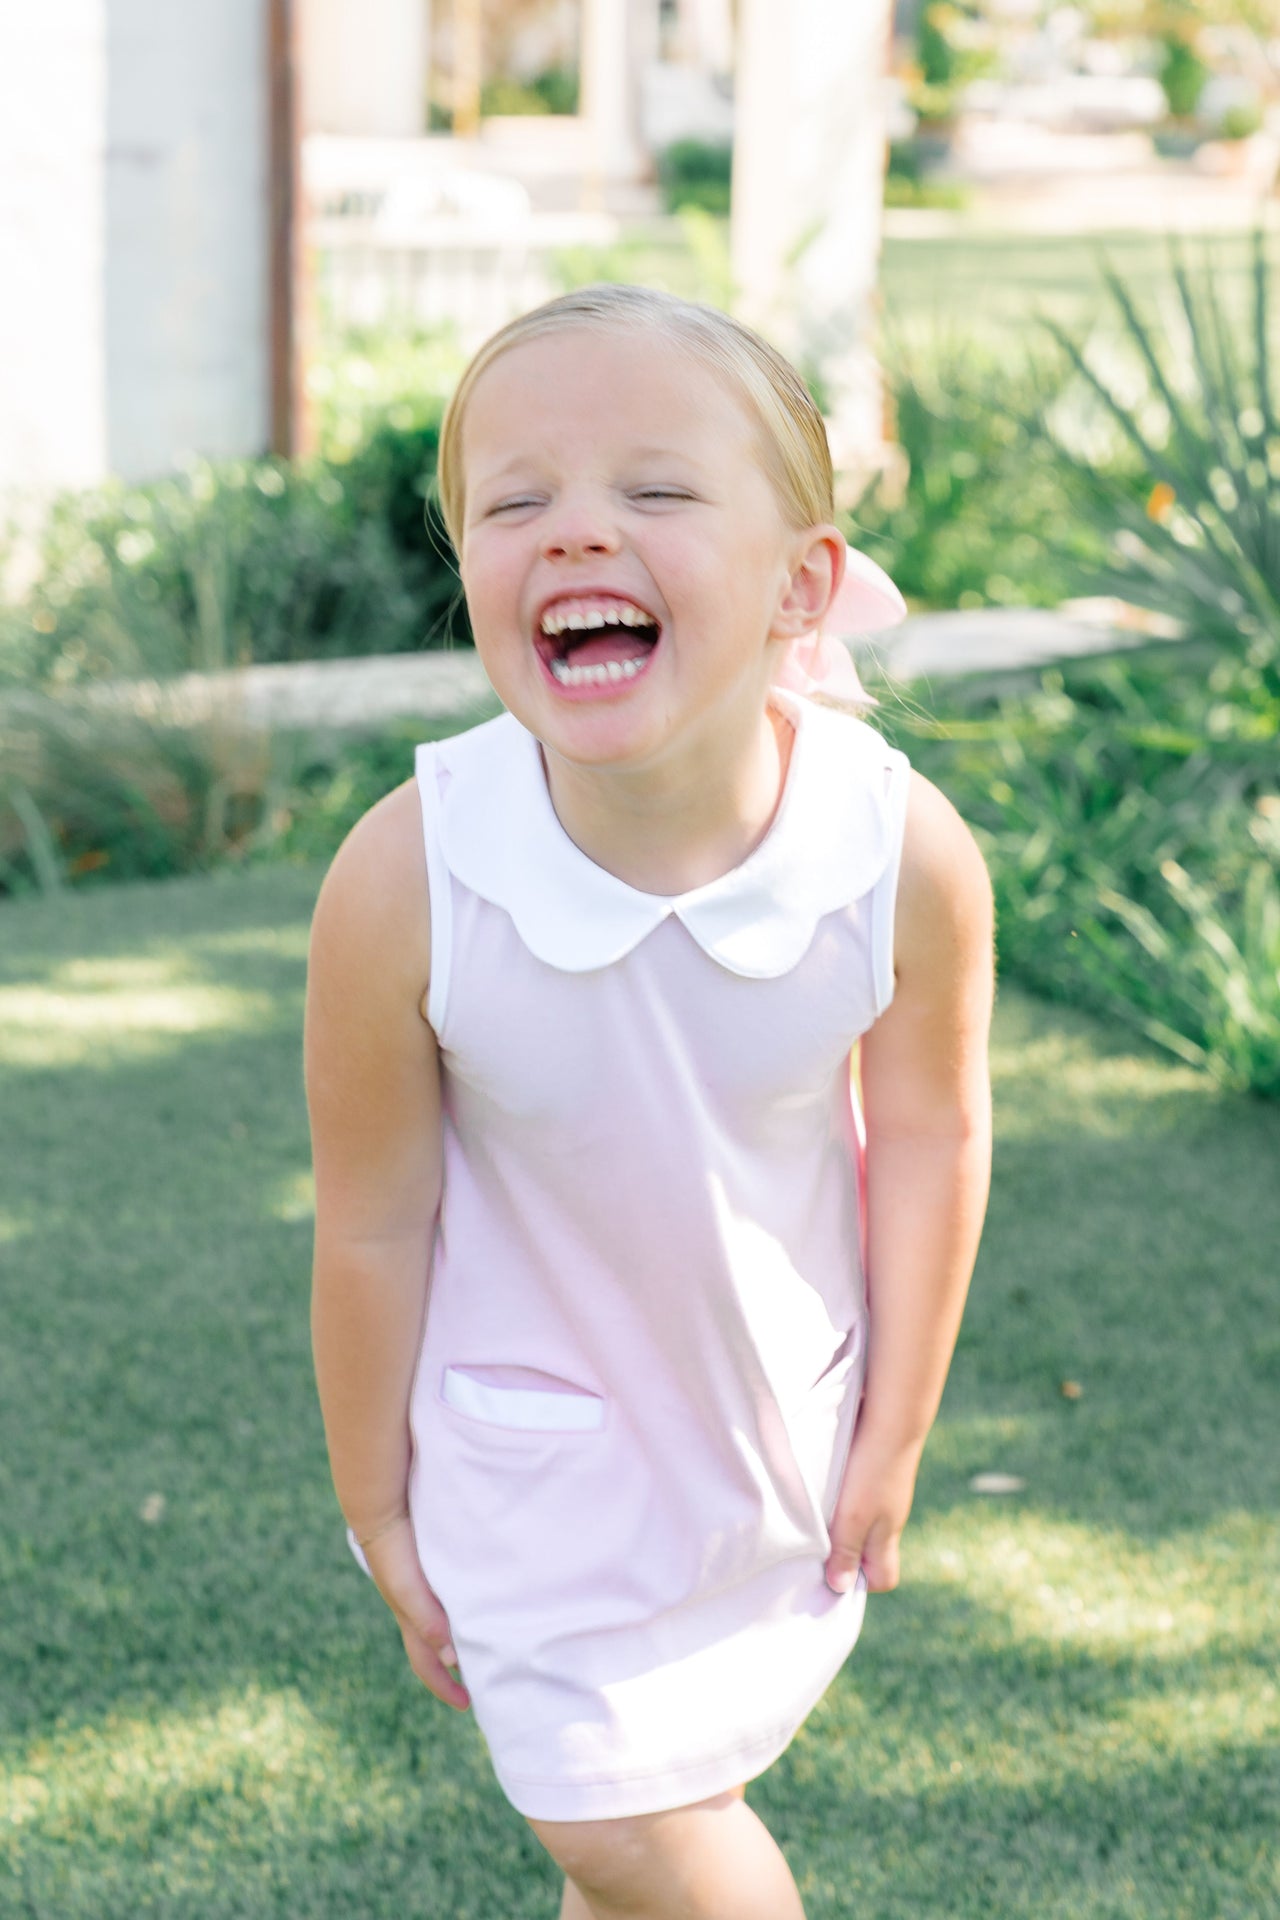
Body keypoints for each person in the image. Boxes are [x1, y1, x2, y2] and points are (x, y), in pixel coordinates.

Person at [305, 283, 995, 1920]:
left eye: (657, 492)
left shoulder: (898, 856)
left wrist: (892, 1427)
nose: (573, 535)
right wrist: (373, 1498)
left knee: (641, 1848)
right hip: (525, 1478)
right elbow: (371, 1213)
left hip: (768, 1443)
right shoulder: (410, 878)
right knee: (634, 1838)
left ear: (800, 582)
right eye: (514, 501)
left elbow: (930, 1137)